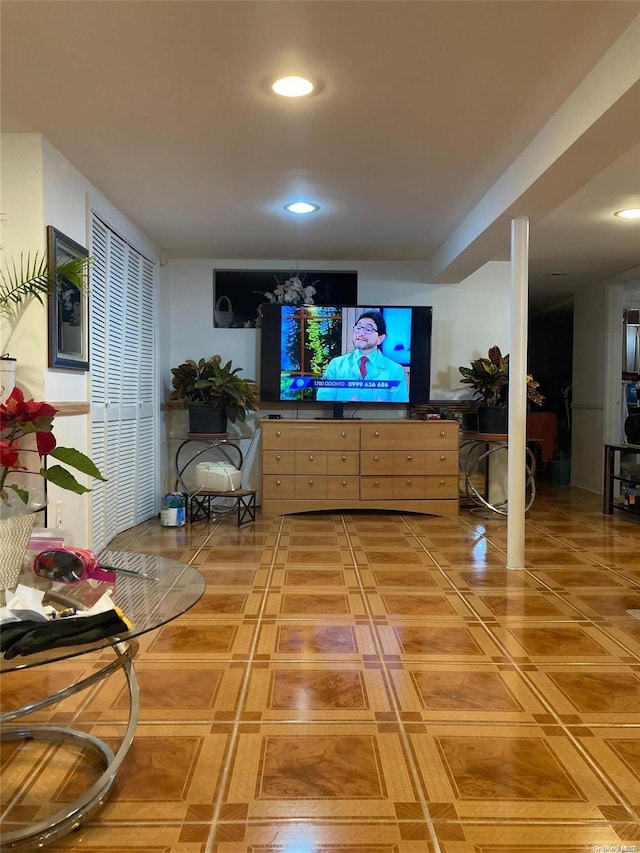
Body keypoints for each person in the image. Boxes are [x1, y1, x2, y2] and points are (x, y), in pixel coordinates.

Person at [315, 310, 409, 402]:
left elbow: (400, 408)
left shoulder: (395, 370)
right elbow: (323, 400)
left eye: (368, 329)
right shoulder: (336, 365)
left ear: (380, 338)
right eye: (358, 328)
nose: (361, 333)